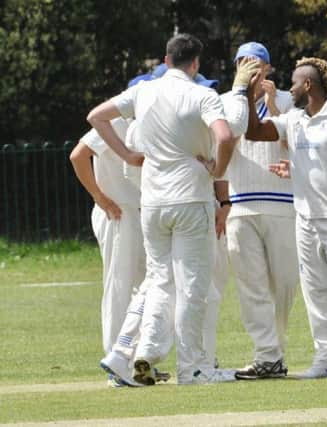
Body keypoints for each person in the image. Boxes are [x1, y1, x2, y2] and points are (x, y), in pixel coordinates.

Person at [87, 33, 258, 385]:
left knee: (159, 282)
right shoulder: (201, 93)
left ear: (166, 60)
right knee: (192, 286)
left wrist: (129, 156)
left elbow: (96, 117)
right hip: (190, 199)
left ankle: (135, 353)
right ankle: (193, 367)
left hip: (152, 203)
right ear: (195, 64)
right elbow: (227, 135)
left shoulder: (143, 91)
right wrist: (218, 169)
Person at [246, 57, 327, 378]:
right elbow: (253, 131)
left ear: (308, 85)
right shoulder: (293, 120)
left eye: (294, 82)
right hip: (305, 219)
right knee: (316, 291)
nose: (289, 88)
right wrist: (249, 94)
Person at [221, 42, 299, 380]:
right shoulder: (225, 102)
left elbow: (293, 143)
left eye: (256, 63)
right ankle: (266, 354)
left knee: (283, 285)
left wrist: (270, 105)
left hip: (282, 204)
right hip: (241, 203)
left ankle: (275, 350)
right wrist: (244, 99)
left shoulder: (286, 101)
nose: (250, 68)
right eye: (243, 62)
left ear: (268, 68)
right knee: (251, 284)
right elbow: (228, 139)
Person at [69, 78, 147, 386]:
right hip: (118, 213)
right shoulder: (116, 121)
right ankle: (116, 361)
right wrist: (101, 199)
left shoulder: (144, 123)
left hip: (137, 212)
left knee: (146, 285)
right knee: (119, 284)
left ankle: (138, 358)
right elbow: (78, 155)